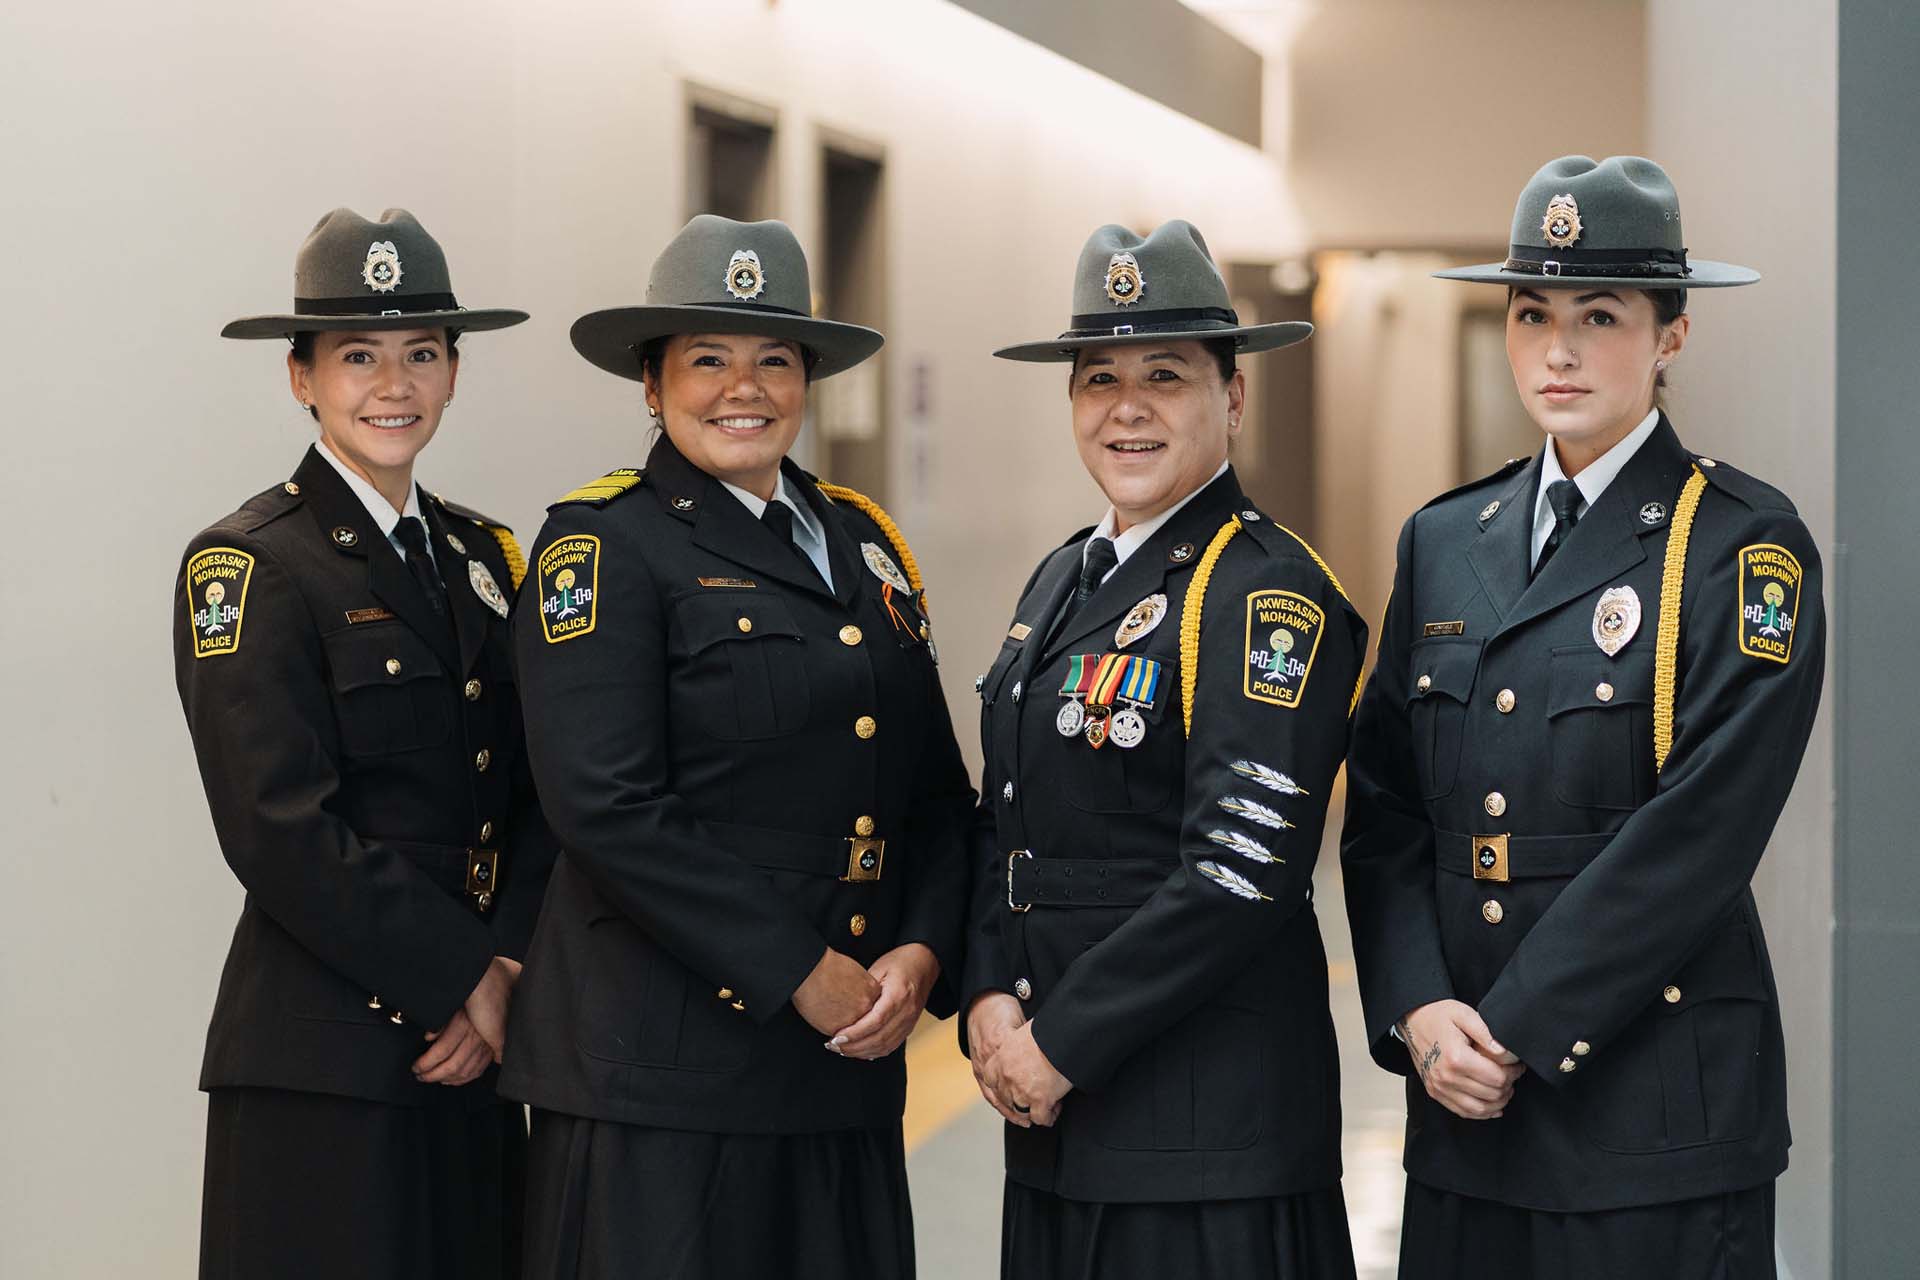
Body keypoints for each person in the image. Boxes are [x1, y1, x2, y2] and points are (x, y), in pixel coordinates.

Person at [1341, 155, 1826, 1278]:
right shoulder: (1444, 539)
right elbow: (1384, 809)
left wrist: (1514, 1025)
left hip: (1654, 1111)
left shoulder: (1740, 544)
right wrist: (1421, 1009)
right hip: (1466, 1109)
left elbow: (1700, 832)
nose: (1556, 349)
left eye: (1598, 313)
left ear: (1671, 334)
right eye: (1531, 311)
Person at [501, 214, 976, 1279]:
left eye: (772, 358)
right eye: (707, 357)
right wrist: (797, 968)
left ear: (808, 377)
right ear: (652, 381)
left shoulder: (863, 542)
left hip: (841, 1067)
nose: (742, 386)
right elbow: (605, 803)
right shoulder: (601, 543)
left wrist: (924, 947)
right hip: (663, 1080)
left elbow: (936, 793)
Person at [963, 221, 1365, 1279]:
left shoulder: (1266, 594)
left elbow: (1239, 871)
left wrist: (1056, 1043)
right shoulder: (1062, 579)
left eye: (1166, 375)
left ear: (1233, 398)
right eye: (1099, 378)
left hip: (1204, 1139)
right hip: (1060, 1124)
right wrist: (989, 989)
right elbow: (1010, 816)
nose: (1126, 407)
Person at [175, 207, 555, 1278]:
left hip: (479, 1052)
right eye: (358, 356)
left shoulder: (487, 557)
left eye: (421, 354)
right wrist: (456, 976)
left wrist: (509, 968)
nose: (395, 384)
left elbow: (538, 788)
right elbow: (278, 824)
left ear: (453, 372)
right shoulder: (251, 564)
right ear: (301, 377)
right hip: (327, 1058)